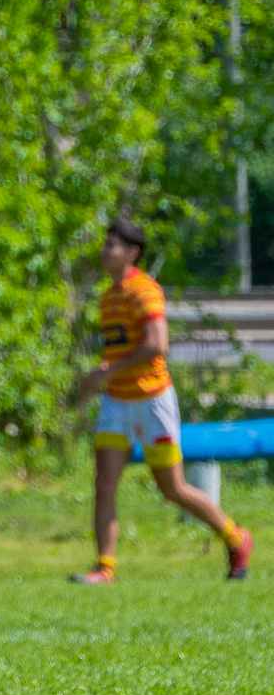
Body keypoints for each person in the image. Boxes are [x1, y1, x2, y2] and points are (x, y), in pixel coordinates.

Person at [73, 216, 253, 583]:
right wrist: (99, 377)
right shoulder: (109, 296)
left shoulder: (144, 290)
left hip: (152, 400)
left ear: (132, 253)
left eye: (112, 245)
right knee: (104, 483)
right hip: (116, 403)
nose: (104, 251)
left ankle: (236, 537)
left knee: (172, 488)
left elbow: (158, 344)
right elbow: (122, 348)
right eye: (105, 244)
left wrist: (108, 371)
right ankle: (105, 568)